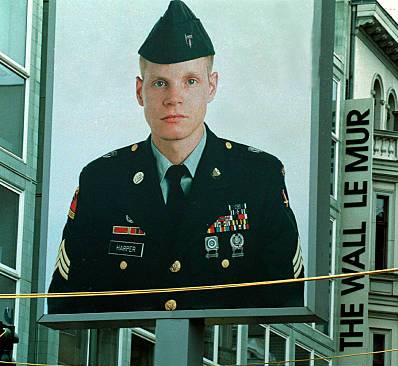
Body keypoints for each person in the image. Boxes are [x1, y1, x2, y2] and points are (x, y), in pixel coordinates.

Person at [48, 0, 304, 314]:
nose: (174, 98)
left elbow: (284, 306)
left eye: (190, 81)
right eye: (160, 83)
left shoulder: (258, 177)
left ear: (212, 86)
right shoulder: (102, 182)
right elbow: (66, 305)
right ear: (140, 91)